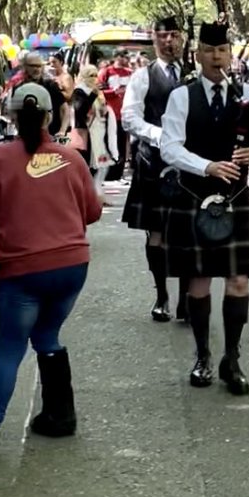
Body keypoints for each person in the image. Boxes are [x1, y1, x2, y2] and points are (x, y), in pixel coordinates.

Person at [0, 83, 102, 450]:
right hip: (72, 265)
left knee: (10, 347)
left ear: (9, 114)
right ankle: (60, 415)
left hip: (21, 269)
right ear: (49, 115)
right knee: (46, 336)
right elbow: (93, 211)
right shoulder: (71, 158)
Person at [159, 21, 249, 394]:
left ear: (229, 54)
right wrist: (206, 165)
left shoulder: (247, 94)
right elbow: (169, 147)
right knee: (197, 281)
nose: (216, 57)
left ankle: (232, 358)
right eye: (209, 51)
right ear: (198, 54)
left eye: (222, 50)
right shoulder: (182, 96)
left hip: (236, 196)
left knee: (239, 280)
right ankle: (202, 356)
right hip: (195, 196)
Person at [121, 17, 188, 323]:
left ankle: (187, 296)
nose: (168, 41)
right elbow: (129, 119)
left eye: (174, 35)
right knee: (157, 233)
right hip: (154, 163)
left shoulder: (194, 74)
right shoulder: (142, 77)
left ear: (183, 38)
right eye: (163, 36)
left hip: (191, 164)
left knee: (189, 233)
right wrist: (162, 135)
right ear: (154, 38)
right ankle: (162, 295)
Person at [71, 66, 113, 191]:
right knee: (88, 164)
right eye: (91, 75)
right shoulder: (79, 91)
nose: (94, 78)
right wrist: (92, 95)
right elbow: (80, 110)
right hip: (84, 132)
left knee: (102, 165)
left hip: (97, 131)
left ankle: (95, 192)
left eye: (96, 75)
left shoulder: (94, 91)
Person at [6, 52, 65, 137]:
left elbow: (64, 109)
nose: (36, 69)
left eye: (39, 66)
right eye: (33, 66)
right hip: (26, 137)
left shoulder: (50, 85)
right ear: (25, 67)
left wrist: (62, 131)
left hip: (50, 135)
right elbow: (14, 113)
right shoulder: (18, 87)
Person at [100, 50, 134, 180]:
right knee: (109, 142)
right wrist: (113, 92)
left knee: (121, 143)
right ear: (116, 57)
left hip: (124, 113)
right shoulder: (106, 72)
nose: (125, 58)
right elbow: (99, 91)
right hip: (109, 112)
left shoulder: (130, 73)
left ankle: (118, 172)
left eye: (126, 56)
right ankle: (107, 170)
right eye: (122, 56)